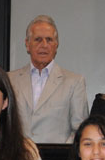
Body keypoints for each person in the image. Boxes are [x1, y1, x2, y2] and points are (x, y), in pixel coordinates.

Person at [8, 15, 88, 143]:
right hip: (17, 158)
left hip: (58, 159)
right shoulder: (9, 80)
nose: (44, 45)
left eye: (49, 40)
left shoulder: (74, 82)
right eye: (38, 39)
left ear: (56, 45)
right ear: (27, 44)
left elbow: (80, 129)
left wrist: (61, 154)